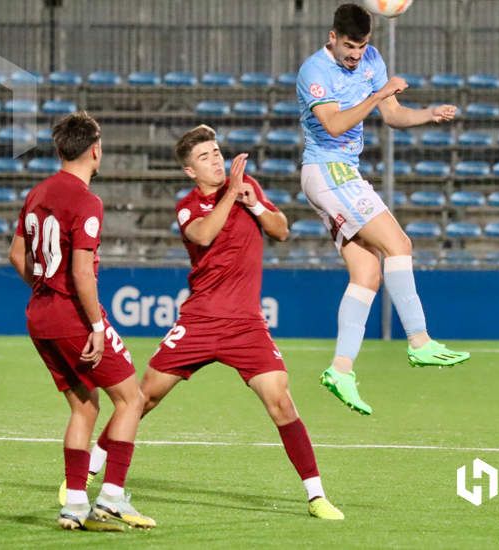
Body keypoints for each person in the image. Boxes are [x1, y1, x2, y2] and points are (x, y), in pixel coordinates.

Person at [75, 125, 345, 520]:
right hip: (199, 322)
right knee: (142, 398)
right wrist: (233, 195)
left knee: (281, 401)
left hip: (246, 325)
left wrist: (253, 203)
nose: (216, 160)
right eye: (205, 157)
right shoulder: (188, 205)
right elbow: (203, 235)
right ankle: (87, 473)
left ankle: (316, 495)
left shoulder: (245, 186)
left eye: (217, 152)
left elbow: (282, 230)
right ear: (190, 171)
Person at [296, 3, 471, 416]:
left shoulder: (372, 60)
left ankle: (341, 369)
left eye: (363, 46)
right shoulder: (314, 72)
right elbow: (335, 125)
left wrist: (428, 114)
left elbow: (392, 116)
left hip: (343, 172)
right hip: (326, 170)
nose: (357, 54)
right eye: (350, 46)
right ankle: (419, 341)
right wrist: (378, 94)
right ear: (333, 37)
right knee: (399, 243)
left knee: (368, 274)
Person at [9, 111, 155, 532]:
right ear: (96, 150)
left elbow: (17, 256)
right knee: (132, 399)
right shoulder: (87, 201)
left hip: (40, 316)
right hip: (73, 316)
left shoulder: (37, 192)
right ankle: (110, 497)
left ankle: (74, 505)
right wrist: (94, 325)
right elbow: (80, 273)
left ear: (59, 150)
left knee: (84, 406)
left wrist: (45, 289)